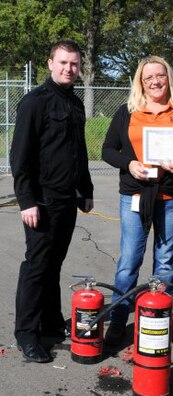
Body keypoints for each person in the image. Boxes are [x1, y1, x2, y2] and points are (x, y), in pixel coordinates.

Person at [102, 55, 173, 345]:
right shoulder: (127, 112)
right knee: (129, 260)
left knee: (164, 261)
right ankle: (119, 320)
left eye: (160, 75)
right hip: (135, 194)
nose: (155, 81)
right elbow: (108, 149)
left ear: (168, 77)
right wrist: (129, 164)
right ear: (141, 82)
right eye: (148, 78)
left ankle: (159, 320)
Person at [10, 39, 94, 363]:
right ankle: (26, 335)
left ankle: (50, 323)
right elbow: (20, 156)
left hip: (67, 201)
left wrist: (85, 190)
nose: (68, 69)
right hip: (41, 202)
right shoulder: (34, 103)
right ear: (49, 63)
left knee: (53, 265)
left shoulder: (76, 104)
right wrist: (26, 201)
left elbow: (80, 152)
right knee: (36, 266)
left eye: (73, 64)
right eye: (62, 63)